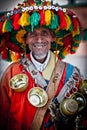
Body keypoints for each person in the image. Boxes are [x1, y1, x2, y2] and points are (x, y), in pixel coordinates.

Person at [0, 0, 87, 130]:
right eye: (33, 34)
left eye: (44, 33)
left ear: (53, 38)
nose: (39, 39)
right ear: (26, 39)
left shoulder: (72, 74)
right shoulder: (12, 72)